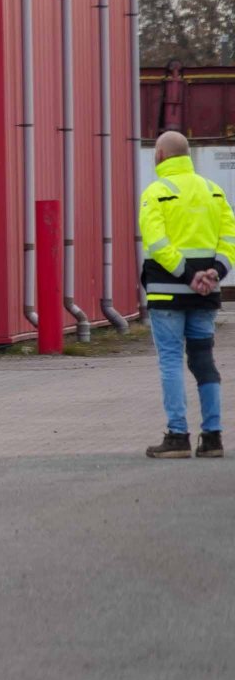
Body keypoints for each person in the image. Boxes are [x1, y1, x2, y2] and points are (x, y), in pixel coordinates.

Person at [138, 131, 235, 459]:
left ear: (162, 156)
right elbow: (228, 240)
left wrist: (187, 275)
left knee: (170, 360)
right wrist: (213, 274)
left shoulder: (156, 192)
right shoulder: (214, 192)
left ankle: (178, 435)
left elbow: (156, 242)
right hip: (205, 294)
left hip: (167, 295)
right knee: (203, 360)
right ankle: (212, 437)